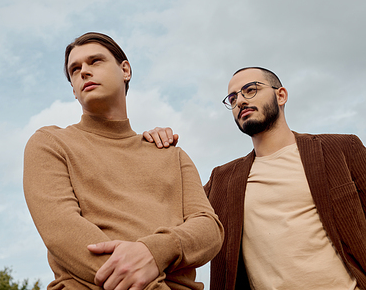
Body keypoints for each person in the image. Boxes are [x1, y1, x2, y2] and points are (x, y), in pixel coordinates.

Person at [23, 32, 223, 290]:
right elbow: (62, 231)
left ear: (125, 70)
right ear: (73, 90)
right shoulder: (50, 143)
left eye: (95, 61)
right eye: (75, 69)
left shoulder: (171, 153)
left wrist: (155, 251)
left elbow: (209, 229)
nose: (84, 71)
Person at [146, 67, 366, 290]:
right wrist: (154, 151)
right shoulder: (222, 181)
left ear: (281, 96)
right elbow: (167, 210)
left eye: (250, 90)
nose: (240, 101)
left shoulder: (341, 149)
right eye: (232, 98)